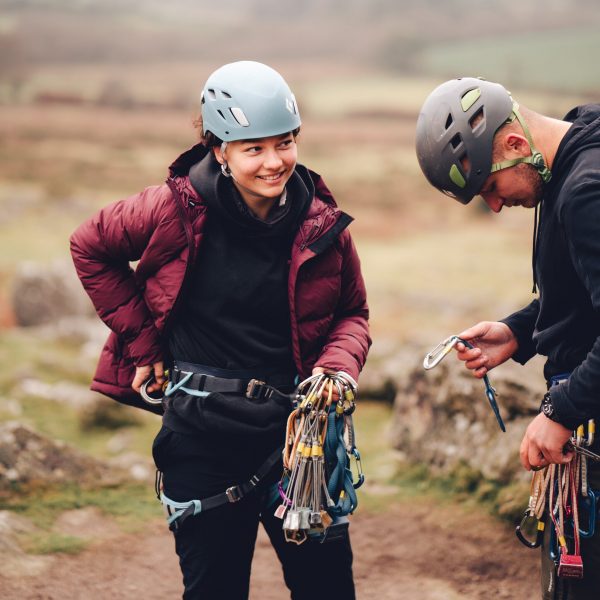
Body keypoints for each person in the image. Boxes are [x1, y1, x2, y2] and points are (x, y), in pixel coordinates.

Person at [70, 60, 370, 600]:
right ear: (219, 150)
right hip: (202, 442)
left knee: (328, 589)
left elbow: (353, 313)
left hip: (297, 442)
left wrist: (337, 365)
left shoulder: (322, 224)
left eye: (284, 143)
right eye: (253, 148)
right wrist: (144, 345)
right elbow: (89, 246)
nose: (274, 162)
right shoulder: (170, 209)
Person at [415, 76, 600, 599]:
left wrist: (562, 411)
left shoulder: (585, 190)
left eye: (491, 188)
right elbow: (585, 294)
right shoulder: (582, 143)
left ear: (516, 144)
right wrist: (520, 332)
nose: (495, 206)